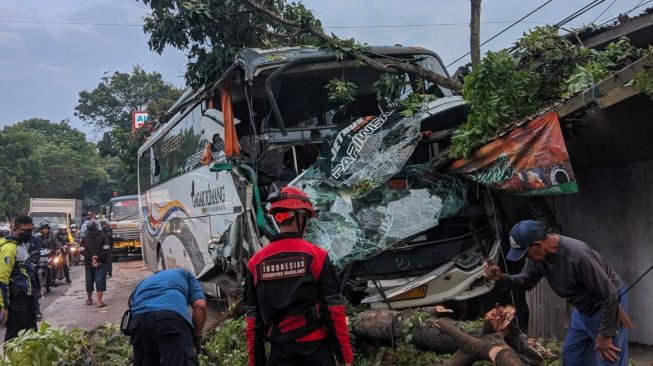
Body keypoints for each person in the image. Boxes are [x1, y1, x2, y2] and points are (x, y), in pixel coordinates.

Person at [484, 220, 630, 366]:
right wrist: (502, 278)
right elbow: (526, 281)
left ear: (537, 245)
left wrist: (605, 334)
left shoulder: (577, 255)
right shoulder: (539, 257)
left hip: (607, 305)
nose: (527, 259)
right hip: (582, 308)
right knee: (573, 356)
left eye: (527, 254)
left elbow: (609, 294)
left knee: (608, 358)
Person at [245, 186, 354, 366]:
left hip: (280, 356)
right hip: (316, 353)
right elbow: (334, 311)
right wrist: (345, 358)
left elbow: (253, 323)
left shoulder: (255, 264)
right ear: (300, 217)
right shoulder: (317, 257)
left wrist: (255, 363)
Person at [129, 268, 207, 366]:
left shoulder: (143, 282)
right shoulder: (186, 274)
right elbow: (200, 305)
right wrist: (196, 337)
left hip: (138, 322)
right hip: (170, 319)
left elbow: (132, 309)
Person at [0, 216, 38, 342]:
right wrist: (4, 306)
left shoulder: (21, 244)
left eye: (30, 230)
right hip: (17, 299)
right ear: (15, 229)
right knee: (15, 337)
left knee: (31, 335)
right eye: (26, 231)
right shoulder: (9, 248)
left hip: (27, 297)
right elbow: (2, 279)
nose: (29, 234)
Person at [80, 220, 109, 307]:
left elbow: (81, 250)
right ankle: (99, 301)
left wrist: (91, 257)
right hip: (101, 262)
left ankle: (89, 299)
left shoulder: (85, 238)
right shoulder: (103, 235)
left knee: (89, 281)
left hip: (89, 263)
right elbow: (106, 249)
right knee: (100, 280)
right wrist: (97, 257)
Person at [36, 221, 60, 288]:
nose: (45, 230)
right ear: (41, 230)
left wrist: (58, 249)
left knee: (54, 265)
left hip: (51, 255)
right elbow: (35, 246)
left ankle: (54, 279)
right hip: (41, 257)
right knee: (34, 267)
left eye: (46, 228)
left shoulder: (53, 237)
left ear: (48, 229)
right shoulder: (38, 238)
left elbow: (58, 244)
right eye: (43, 229)